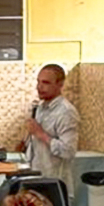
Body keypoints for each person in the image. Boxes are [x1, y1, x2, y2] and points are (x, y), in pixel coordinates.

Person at [20, 64, 79, 197]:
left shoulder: (66, 113)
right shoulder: (40, 108)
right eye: (38, 82)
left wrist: (40, 134)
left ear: (60, 84)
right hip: (35, 179)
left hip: (54, 184)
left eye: (45, 83)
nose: (39, 87)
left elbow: (68, 151)